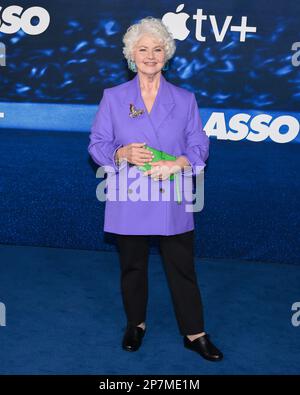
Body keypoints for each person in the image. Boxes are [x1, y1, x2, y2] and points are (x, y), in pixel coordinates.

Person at [88, 16, 223, 362]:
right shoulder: (113, 97)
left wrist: (178, 164)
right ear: (131, 55)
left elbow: (199, 144)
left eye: (158, 49)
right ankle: (136, 324)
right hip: (128, 194)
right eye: (143, 49)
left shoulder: (186, 99)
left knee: (182, 267)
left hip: (172, 195)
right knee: (132, 266)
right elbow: (97, 144)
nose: (150, 55)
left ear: (167, 54)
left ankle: (195, 333)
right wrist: (120, 153)